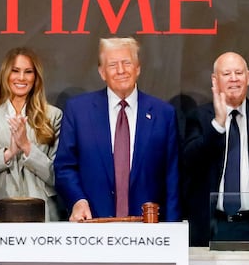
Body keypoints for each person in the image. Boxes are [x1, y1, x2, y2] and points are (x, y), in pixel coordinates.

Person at [54, 37, 180, 222]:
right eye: (113, 65)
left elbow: (172, 179)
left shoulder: (164, 114)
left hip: (149, 233)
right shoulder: (78, 111)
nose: (121, 70)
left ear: (138, 68)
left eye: (126, 63)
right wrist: (78, 200)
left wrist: (171, 230)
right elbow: (64, 167)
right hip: (93, 226)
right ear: (102, 72)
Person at [182, 51, 249, 246]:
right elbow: (189, 161)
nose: (234, 79)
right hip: (213, 227)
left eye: (238, 73)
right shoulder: (200, 116)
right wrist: (218, 125)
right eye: (226, 74)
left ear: (248, 77)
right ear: (215, 80)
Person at [0, 47, 63, 221]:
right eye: (15, 71)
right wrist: (9, 153)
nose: (21, 78)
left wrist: (27, 147)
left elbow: (57, 176)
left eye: (28, 72)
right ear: (6, 74)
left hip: (41, 212)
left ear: (36, 77)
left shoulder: (53, 116)